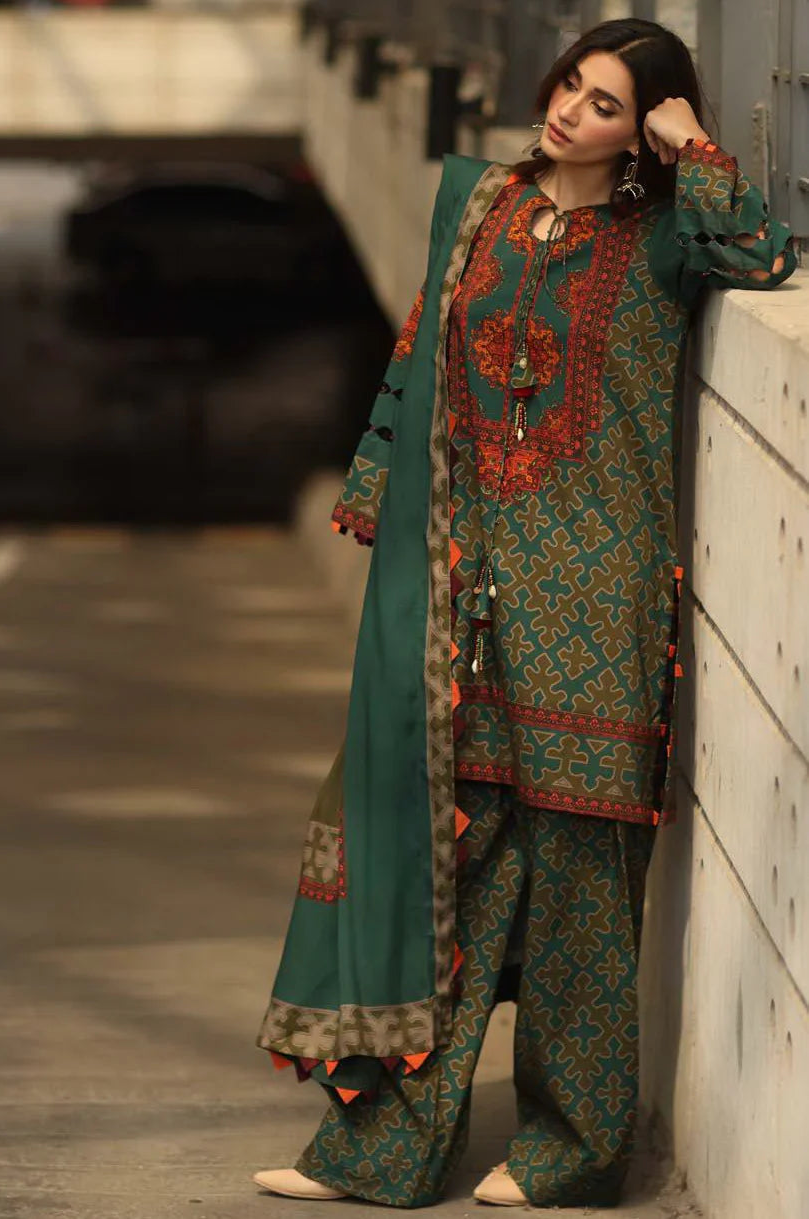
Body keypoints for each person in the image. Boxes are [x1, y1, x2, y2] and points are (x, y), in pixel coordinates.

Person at [252, 17, 798, 1211]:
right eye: (569, 86)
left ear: (640, 126)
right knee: (450, 868)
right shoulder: (481, 205)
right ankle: (385, 1147)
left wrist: (692, 143)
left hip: (597, 608)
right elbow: (416, 357)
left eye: (606, 104)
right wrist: (379, 506)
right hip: (470, 589)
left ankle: (568, 1146)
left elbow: (760, 259)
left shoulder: (662, 236)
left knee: (583, 890)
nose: (568, 112)